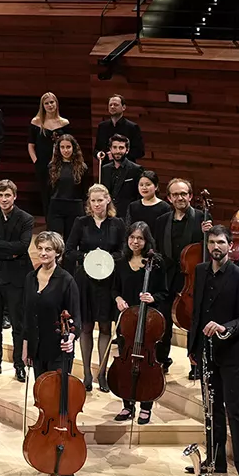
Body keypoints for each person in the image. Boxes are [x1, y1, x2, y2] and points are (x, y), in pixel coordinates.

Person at [188, 225, 239, 476]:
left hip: (232, 353)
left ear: (230, 246)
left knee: (235, 411)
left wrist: (223, 327)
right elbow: (196, 312)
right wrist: (193, 348)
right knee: (211, 409)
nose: (216, 247)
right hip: (206, 352)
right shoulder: (201, 270)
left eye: (221, 242)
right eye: (212, 242)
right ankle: (216, 462)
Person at [20, 230, 83, 476]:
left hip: (59, 349)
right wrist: (25, 346)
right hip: (37, 347)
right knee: (44, 403)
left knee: (60, 403)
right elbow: (26, 315)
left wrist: (70, 337)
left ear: (58, 252)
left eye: (48, 249)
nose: (43, 253)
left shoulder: (66, 280)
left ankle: (65, 455)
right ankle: (46, 450)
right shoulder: (30, 277)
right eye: (40, 249)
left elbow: (75, 318)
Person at [110, 221, 172, 424]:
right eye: (132, 238)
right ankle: (127, 405)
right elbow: (114, 289)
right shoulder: (120, 261)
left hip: (149, 322)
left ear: (147, 241)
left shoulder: (156, 263)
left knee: (147, 365)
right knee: (126, 364)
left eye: (140, 238)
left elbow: (164, 292)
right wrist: (118, 299)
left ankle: (146, 405)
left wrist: (153, 298)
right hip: (127, 322)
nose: (135, 242)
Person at [0, 179, 34, 381]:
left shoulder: (25, 218)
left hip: (16, 278)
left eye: (7, 195)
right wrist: (8, 250)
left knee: (18, 325)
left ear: (15, 196)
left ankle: (19, 364)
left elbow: (22, 247)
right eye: (0, 195)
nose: (3, 199)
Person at [72, 184, 126, 389]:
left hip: (108, 281)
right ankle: (86, 374)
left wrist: (107, 258)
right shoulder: (81, 223)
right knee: (85, 327)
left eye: (100, 200)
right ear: (89, 203)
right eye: (93, 201)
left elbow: (123, 251)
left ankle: (101, 373)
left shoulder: (117, 223)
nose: (96, 204)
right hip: (85, 280)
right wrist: (87, 256)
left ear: (108, 200)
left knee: (105, 327)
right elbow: (69, 250)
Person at [27, 93, 70, 215]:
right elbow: (31, 145)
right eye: (46, 103)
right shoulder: (36, 122)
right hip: (42, 164)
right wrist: (36, 161)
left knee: (60, 192)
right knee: (46, 194)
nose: (50, 105)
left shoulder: (64, 123)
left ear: (56, 103)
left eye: (52, 102)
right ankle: (49, 222)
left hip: (61, 164)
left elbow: (70, 144)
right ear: (42, 106)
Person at [44, 133, 87, 236]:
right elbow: (48, 190)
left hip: (74, 206)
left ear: (74, 148)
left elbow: (84, 190)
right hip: (56, 206)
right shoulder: (52, 166)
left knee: (71, 240)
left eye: (68, 147)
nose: (65, 150)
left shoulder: (82, 167)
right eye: (62, 147)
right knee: (55, 239)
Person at [95, 135, 143, 217]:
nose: (117, 151)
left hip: (128, 215)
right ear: (110, 149)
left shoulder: (136, 169)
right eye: (115, 147)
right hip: (109, 214)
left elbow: (139, 195)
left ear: (127, 150)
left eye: (121, 148)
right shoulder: (105, 169)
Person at [93, 94, 145, 163]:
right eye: (110, 105)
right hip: (107, 168)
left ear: (123, 107)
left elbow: (139, 151)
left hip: (126, 168)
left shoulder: (132, 127)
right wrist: (99, 154)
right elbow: (97, 149)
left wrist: (117, 155)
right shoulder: (102, 126)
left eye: (116, 105)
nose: (112, 107)